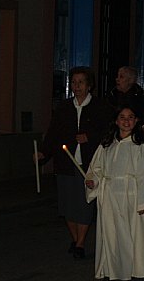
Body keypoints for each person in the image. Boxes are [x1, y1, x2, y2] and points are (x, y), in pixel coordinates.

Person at [35, 67, 111, 259]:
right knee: (68, 205)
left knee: (85, 203)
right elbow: (53, 133)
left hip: (89, 164)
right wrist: (43, 152)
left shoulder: (100, 107)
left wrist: (90, 137)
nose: (76, 86)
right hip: (66, 163)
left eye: (81, 82)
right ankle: (76, 238)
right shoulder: (64, 107)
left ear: (89, 85)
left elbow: (108, 132)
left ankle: (80, 243)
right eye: (74, 82)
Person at [85, 106, 144, 281]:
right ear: (116, 121)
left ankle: (131, 267)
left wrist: (143, 202)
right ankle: (110, 271)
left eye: (130, 117)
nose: (126, 121)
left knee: (129, 233)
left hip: (129, 195)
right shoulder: (107, 145)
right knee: (109, 233)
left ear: (136, 121)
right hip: (109, 195)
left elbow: (143, 175)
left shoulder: (138, 147)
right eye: (122, 117)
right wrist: (93, 181)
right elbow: (96, 168)